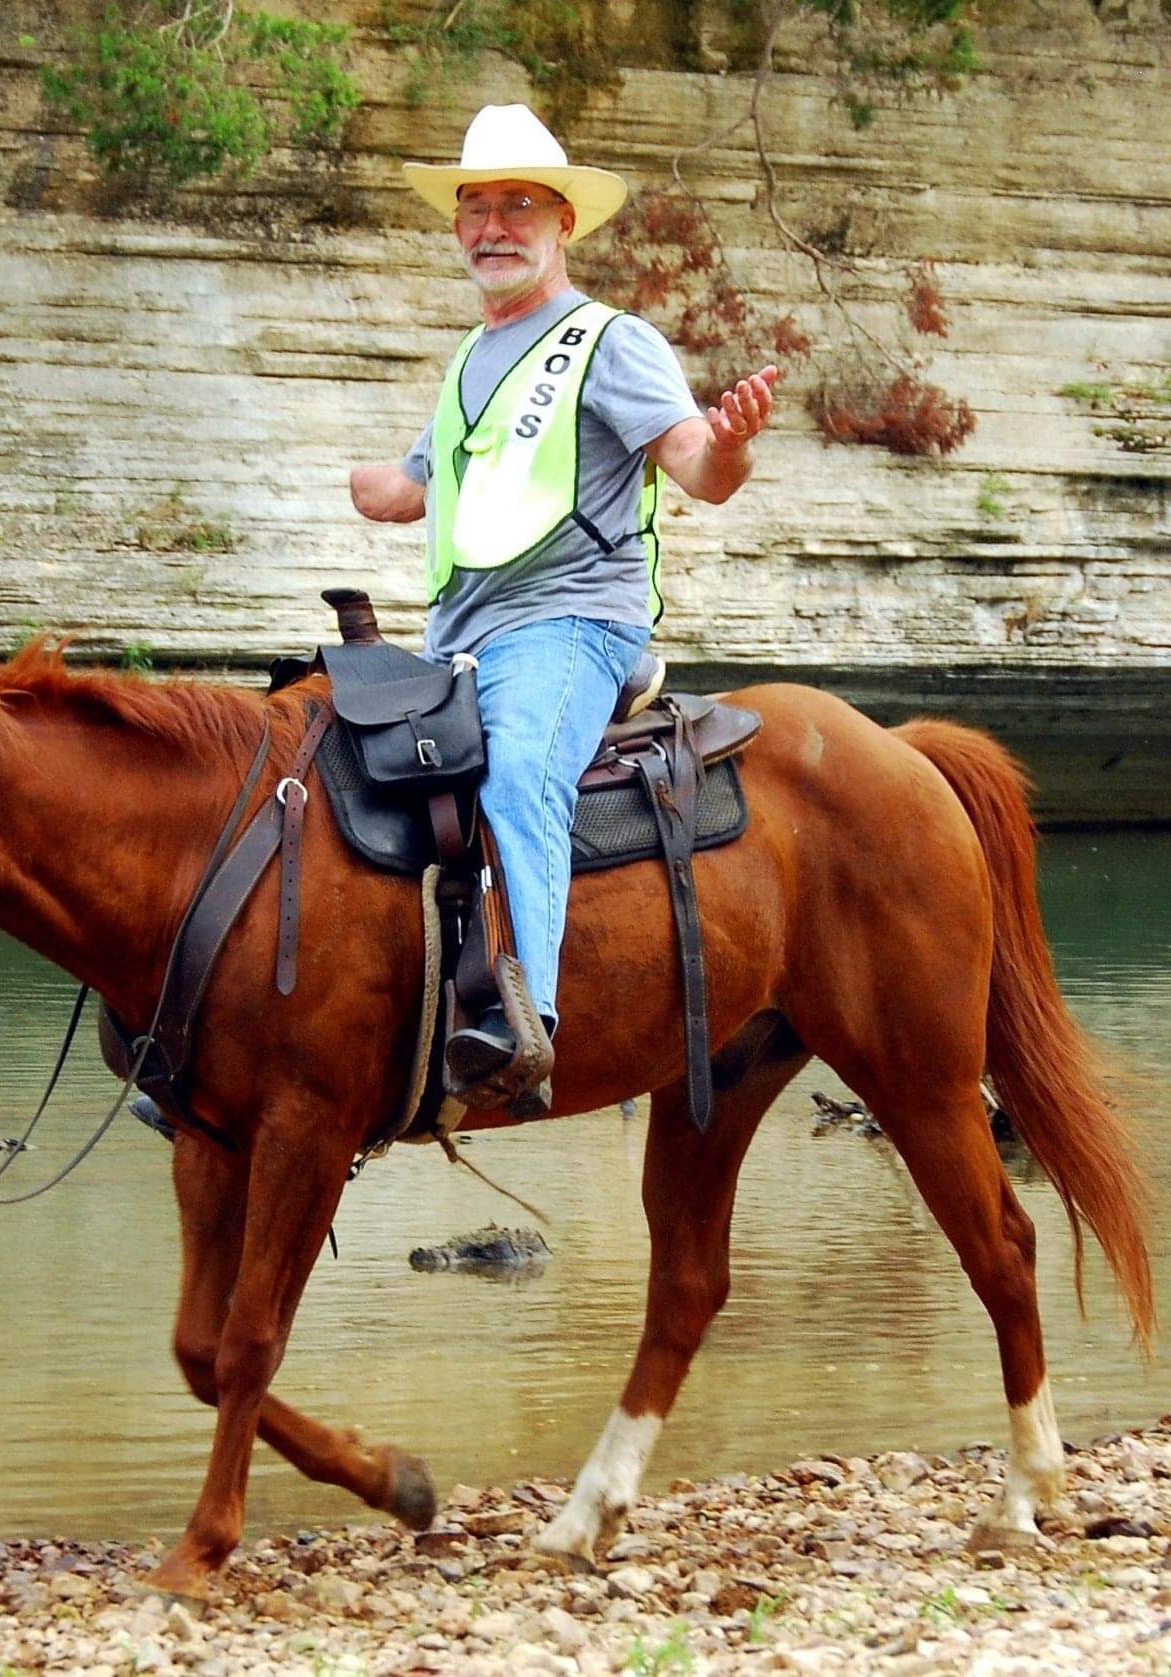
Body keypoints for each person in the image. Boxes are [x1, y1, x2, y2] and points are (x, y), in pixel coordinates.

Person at [350, 103, 778, 1107]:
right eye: (474, 208)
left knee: (518, 776)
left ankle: (522, 1016)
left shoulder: (608, 342)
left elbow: (697, 470)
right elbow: (416, 486)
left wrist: (733, 442)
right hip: (455, 639)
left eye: (515, 207)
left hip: (572, 621)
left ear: (561, 225)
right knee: (336, 774)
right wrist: (365, 483)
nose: (491, 226)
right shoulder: (468, 360)